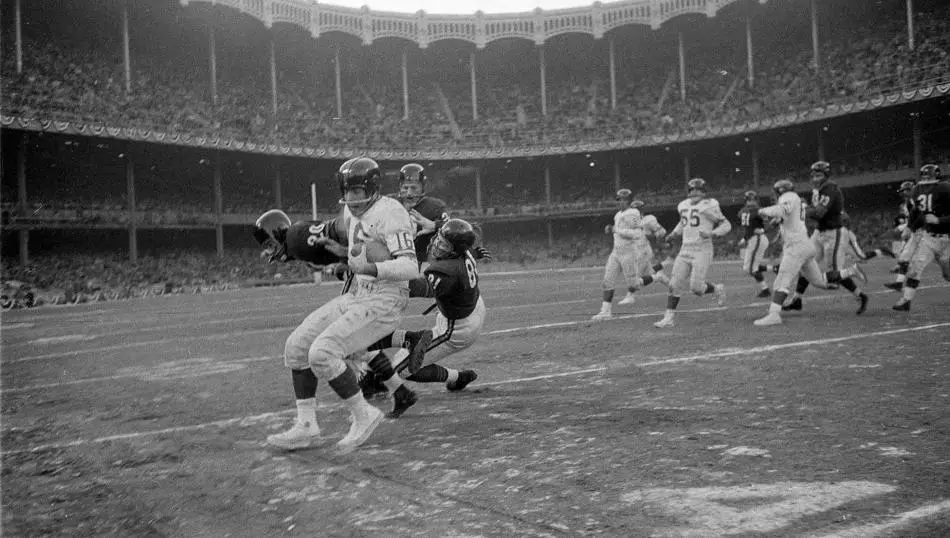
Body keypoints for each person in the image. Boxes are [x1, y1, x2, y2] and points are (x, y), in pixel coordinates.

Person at [263, 157, 421, 453]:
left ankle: (364, 415)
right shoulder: (350, 214)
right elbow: (353, 255)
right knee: (297, 346)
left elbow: (410, 268)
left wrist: (369, 268)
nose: (352, 199)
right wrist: (340, 258)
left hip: (386, 299)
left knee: (322, 353)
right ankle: (306, 425)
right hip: (359, 294)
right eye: (348, 192)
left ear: (372, 189)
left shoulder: (391, 213)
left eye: (358, 192)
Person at [366, 218, 485, 418]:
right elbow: (463, 235)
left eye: (444, 244)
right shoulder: (462, 254)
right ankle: (413, 341)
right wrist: (438, 227)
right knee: (404, 355)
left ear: (456, 249)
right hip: (471, 308)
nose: (437, 244)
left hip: (457, 328)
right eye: (439, 239)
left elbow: (420, 287)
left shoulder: (447, 270)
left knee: (401, 370)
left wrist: (381, 276)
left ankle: (457, 377)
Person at [753, 180, 850, 326]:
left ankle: (774, 314)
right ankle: (851, 272)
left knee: (781, 281)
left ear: (780, 190)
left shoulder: (789, 197)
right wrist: (775, 220)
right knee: (819, 282)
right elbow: (785, 216)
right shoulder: (794, 199)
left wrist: (763, 211)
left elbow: (783, 210)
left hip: (796, 246)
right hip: (805, 245)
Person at [782, 161, 869, 315]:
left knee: (834, 278)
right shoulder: (819, 189)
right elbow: (816, 212)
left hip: (833, 234)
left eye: (819, 175)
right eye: (814, 175)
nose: (815, 178)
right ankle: (797, 299)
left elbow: (819, 213)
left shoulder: (829, 188)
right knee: (805, 263)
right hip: (820, 232)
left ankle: (853, 275)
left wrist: (802, 208)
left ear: (826, 175)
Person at [654, 178, 730, 328]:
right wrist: (674, 233)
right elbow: (684, 222)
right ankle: (668, 318)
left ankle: (717, 289)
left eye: (698, 190)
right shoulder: (683, 205)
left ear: (704, 192)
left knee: (696, 288)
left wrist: (712, 233)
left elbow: (726, 224)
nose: (694, 192)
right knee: (674, 284)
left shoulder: (710, 205)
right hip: (685, 249)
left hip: (702, 249)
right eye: (691, 190)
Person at [592, 189, 667, 320]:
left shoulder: (633, 212)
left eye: (624, 200)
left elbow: (636, 234)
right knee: (607, 280)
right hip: (616, 252)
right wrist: (612, 230)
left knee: (634, 285)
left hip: (628, 253)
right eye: (619, 199)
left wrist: (616, 229)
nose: (621, 202)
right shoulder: (617, 215)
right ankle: (605, 311)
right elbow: (620, 232)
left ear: (629, 201)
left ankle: (656, 278)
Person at [893, 164, 950, 311]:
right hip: (929, 237)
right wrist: (910, 227)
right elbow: (916, 212)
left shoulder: (944, 188)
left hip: (947, 238)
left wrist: (940, 220)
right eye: (924, 175)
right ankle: (906, 300)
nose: (926, 178)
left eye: (928, 175)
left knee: (947, 274)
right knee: (914, 268)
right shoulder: (917, 189)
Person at [886, 178, 924, 292]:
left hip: (924, 232)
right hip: (916, 232)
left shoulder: (918, 199)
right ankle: (898, 283)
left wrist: (909, 228)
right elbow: (912, 218)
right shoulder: (909, 202)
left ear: (910, 189)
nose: (903, 193)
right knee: (904, 258)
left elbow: (921, 217)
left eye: (904, 191)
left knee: (939, 258)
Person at [737, 190, 772, 298]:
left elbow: (768, 226)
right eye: (749, 199)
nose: (751, 202)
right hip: (752, 239)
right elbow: (748, 228)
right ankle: (775, 268)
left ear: (756, 200)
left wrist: (762, 231)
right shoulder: (742, 211)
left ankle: (765, 289)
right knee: (748, 268)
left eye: (753, 200)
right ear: (745, 200)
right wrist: (745, 238)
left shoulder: (760, 211)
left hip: (757, 239)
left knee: (751, 268)